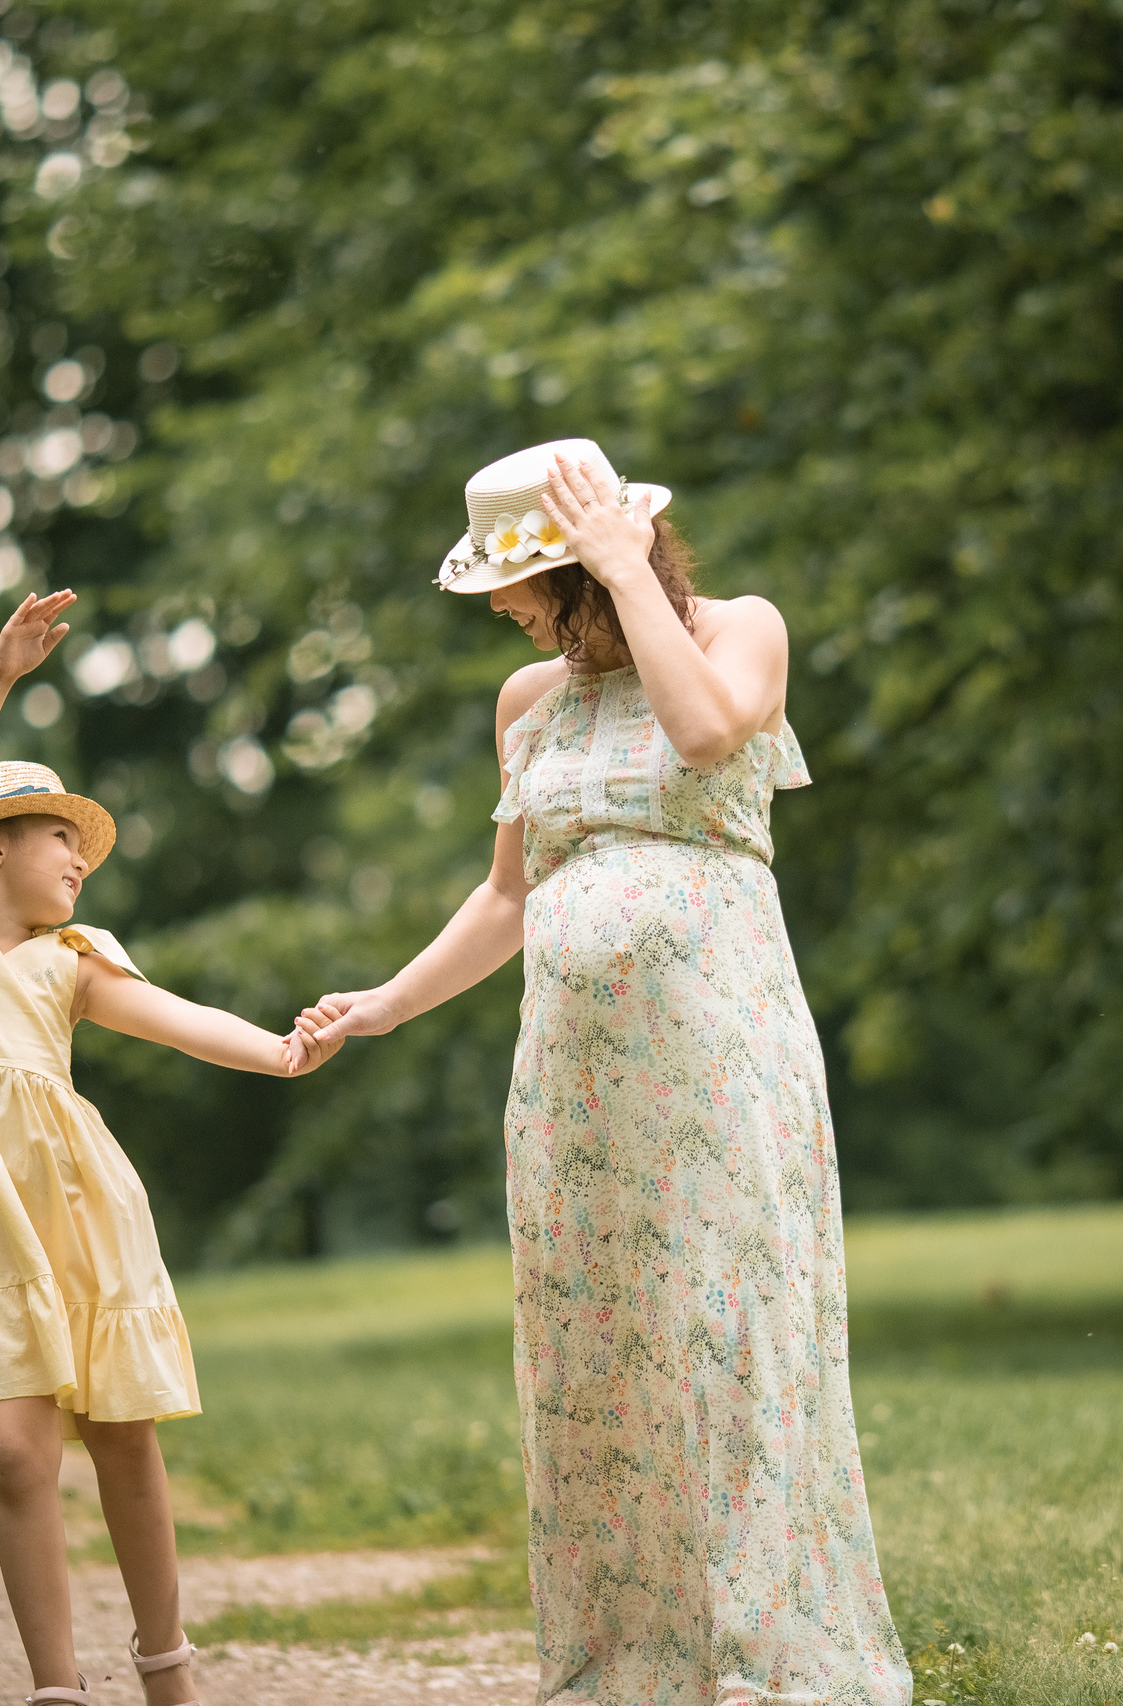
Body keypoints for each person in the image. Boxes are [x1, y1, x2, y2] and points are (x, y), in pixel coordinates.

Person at [296, 440, 912, 1706]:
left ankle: (764, 1662)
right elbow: (507, 895)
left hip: (717, 1052)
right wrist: (388, 1003)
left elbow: (700, 731)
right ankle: (628, 1667)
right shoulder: (530, 701)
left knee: (731, 1333)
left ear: (588, 563)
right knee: (597, 1355)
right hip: (574, 1086)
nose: (507, 618)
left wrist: (630, 573)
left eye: (521, 590)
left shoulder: (739, 630)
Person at [0, 589, 337, 1706]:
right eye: (63, 836)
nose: (81, 860)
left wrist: (284, 1051)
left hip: (80, 1208)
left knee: (125, 1442)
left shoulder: (74, 962)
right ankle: (56, 1686)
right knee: (17, 1450)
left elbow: (187, 1021)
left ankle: (166, 1668)